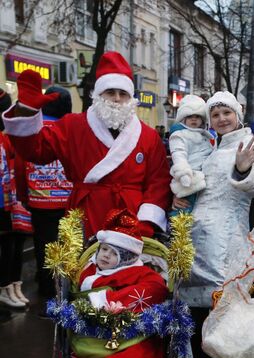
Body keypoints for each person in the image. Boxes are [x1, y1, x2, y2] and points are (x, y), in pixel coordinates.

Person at [1, 51, 171, 237]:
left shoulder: (149, 136)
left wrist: (146, 222)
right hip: (85, 216)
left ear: (130, 99)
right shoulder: (73, 126)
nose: (116, 98)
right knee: (79, 265)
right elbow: (36, 151)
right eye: (110, 92)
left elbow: (158, 183)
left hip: (131, 220)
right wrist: (26, 111)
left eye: (123, 94)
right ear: (98, 95)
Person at [177, 91, 254, 358]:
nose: (221, 119)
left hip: (227, 243)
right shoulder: (210, 149)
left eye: (226, 113)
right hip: (197, 241)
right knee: (196, 313)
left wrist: (242, 168)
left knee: (225, 313)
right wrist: (179, 193)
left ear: (237, 116)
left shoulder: (249, 146)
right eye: (215, 115)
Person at [70, 209, 169, 358]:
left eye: (113, 253)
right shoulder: (87, 274)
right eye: (103, 249)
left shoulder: (143, 275)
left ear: (126, 257)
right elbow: (77, 301)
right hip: (92, 338)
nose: (104, 255)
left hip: (135, 338)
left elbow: (157, 290)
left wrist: (108, 299)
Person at [12, 87, 74, 304]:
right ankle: (67, 288)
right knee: (69, 245)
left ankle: (47, 288)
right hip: (68, 201)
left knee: (44, 246)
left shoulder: (32, 131)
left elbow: (20, 164)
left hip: (39, 201)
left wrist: (24, 196)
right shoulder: (70, 131)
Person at [0, 88, 28, 310]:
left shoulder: (9, 136)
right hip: (7, 200)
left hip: (13, 200)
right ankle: (5, 286)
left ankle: (12, 285)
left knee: (15, 244)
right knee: (7, 245)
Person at [168, 94, 213, 215]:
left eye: (197, 116)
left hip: (203, 183)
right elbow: (179, 155)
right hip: (188, 182)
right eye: (190, 116)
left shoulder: (206, 137)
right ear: (184, 118)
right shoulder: (179, 135)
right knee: (183, 214)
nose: (194, 119)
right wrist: (184, 174)